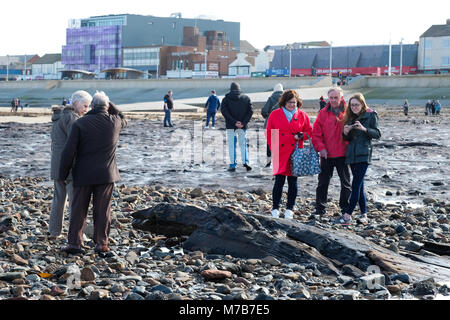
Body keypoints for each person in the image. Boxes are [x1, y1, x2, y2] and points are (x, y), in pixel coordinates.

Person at [59, 91, 127, 254]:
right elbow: (122, 116)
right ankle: (101, 244)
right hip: (106, 174)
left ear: (92, 106)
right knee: (103, 210)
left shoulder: (80, 124)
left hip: (83, 174)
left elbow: (68, 152)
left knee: (78, 210)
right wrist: (110, 104)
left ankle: (75, 244)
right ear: (108, 106)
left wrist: (62, 174)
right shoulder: (114, 122)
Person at [49, 90, 92, 240]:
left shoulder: (58, 116)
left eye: (88, 106)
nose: (86, 109)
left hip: (56, 164)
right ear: (76, 103)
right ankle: (77, 233)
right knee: (75, 201)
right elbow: (76, 144)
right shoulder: (73, 118)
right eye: (85, 106)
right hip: (69, 166)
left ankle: (54, 232)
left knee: (58, 198)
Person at [266, 90, 313, 219]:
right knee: (279, 181)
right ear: (284, 102)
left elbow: (309, 131)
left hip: (295, 152)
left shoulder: (302, 115)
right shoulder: (275, 114)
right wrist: (272, 148)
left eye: (294, 102)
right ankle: (275, 208)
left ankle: (290, 209)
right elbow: (269, 132)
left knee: (293, 182)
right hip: (279, 152)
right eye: (290, 102)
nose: (292, 105)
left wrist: (302, 136)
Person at [339, 93, 381, 225]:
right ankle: (364, 215)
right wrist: (345, 132)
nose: (354, 107)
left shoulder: (371, 115)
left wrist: (364, 129)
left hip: (364, 154)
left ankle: (347, 215)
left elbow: (377, 134)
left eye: (357, 104)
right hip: (352, 155)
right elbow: (347, 139)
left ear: (362, 104)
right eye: (352, 105)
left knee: (355, 184)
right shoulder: (350, 117)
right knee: (360, 185)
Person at [311, 87, 351, 216]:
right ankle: (320, 208)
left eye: (336, 97)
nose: (333, 100)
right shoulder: (323, 113)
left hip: (343, 154)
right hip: (326, 154)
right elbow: (316, 134)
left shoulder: (348, 113)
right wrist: (321, 148)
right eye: (331, 98)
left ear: (341, 98)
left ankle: (345, 208)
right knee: (323, 183)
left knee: (345, 183)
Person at [220, 82, 253, 172]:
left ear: (230, 89)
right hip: (242, 126)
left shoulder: (226, 99)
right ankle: (246, 162)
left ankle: (233, 164)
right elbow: (250, 112)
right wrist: (243, 122)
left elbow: (224, 112)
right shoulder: (246, 98)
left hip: (231, 126)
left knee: (231, 145)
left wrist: (234, 122)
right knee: (243, 145)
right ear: (239, 89)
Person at [261, 83, 284, 168]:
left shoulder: (271, 98)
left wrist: (267, 117)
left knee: (269, 144)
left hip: (271, 125)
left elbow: (264, 111)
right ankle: (279, 162)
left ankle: (268, 162)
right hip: (282, 125)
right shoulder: (285, 99)